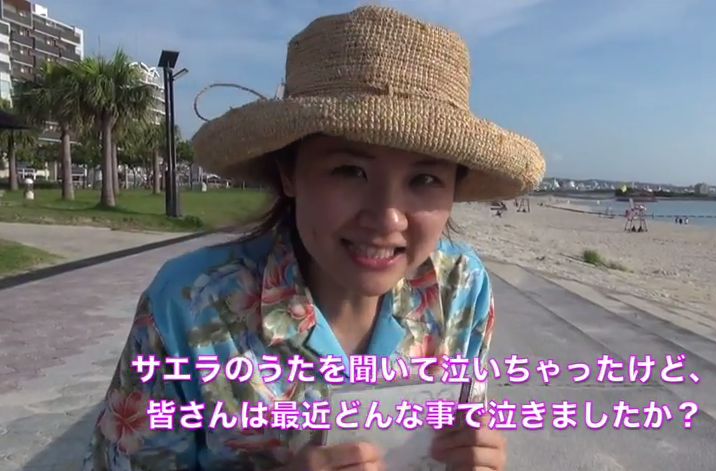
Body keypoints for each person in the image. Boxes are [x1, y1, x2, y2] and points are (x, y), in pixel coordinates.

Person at [81, 6, 544, 471]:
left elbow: (461, 429)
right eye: (350, 171)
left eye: (424, 180)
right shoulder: (189, 304)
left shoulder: (462, 287)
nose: (387, 218)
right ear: (289, 172)